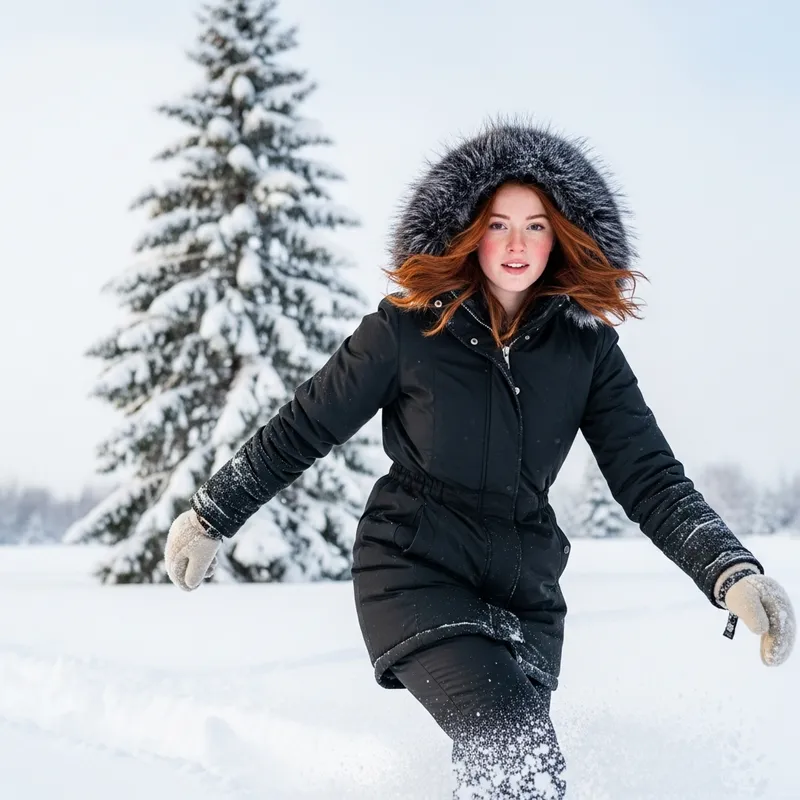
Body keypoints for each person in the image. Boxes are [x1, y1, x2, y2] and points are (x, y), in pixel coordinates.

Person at [164, 120, 796, 799]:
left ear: (562, 236)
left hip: (525, 595)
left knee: (520, 773)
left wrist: (728, 569)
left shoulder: (587, 350)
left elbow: (651, 479)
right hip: (415, 571)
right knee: (516, 751)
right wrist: (211, 515)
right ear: (468, 230)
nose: (517, 244)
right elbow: (303, 427)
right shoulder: (406, 327)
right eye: (499, 224)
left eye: (536, 226)